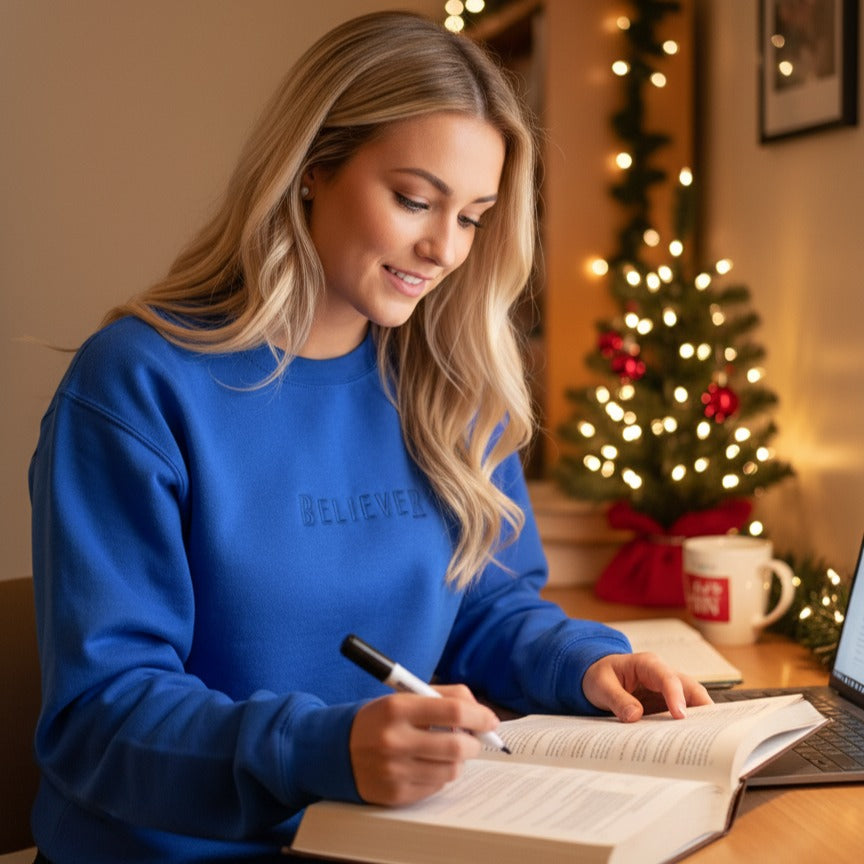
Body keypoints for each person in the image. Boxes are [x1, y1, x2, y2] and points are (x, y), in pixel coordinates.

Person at [28, 11, 711, 864]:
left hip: (391, 844)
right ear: (313, 169)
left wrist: (581, 662)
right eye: (416, 200)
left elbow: (486, 605)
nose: (444, 248)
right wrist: (321, 751)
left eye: (473, 216)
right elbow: (99, 719)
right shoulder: (138, 385)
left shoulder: (458, 381)